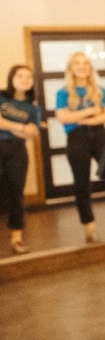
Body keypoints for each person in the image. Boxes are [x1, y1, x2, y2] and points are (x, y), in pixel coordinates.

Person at [54, 52, 105, 242]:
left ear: (90, 68)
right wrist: (91, 111)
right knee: (82, 184)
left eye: (85, 63)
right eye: (77, 63)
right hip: (76, 139)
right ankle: (89, 228)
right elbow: (62, 117)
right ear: (71, 68)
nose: (81, 66)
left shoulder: (100, 91)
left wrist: (79, 118)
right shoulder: (63, 92)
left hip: (100, 137)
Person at [1, 65, 41, 255]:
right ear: (12, 78)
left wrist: (8, 126)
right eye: (20, 75)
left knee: (16, 193)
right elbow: (24, 129)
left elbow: (33, 132)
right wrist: (19, 127)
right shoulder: (1, 96)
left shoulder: (32, 107)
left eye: (28, 76)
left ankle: (16, 239)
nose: (24, 79)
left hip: (17, 151)